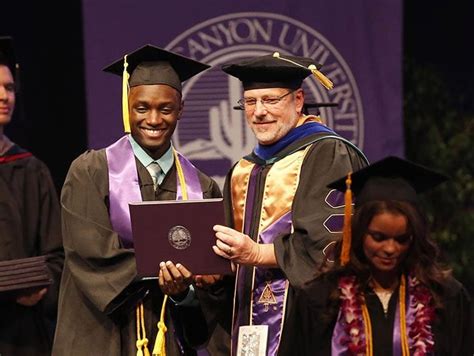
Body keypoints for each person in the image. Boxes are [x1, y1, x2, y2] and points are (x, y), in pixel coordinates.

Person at [52, 44, 222, 356]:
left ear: (181, 109)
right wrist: (165, 271)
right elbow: (90, 255)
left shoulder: (203, 188)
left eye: (166, 109)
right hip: (99, 337)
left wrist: (185, 292)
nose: (154, 119)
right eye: (142, 108)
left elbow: (210, 289)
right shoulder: (90, 172)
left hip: (166, 338)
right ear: (127, 107)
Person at [212, 52, 369, 355]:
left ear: (298, 101)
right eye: (250, 102)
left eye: (270, 100)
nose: (259, 112)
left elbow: (331, 248)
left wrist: (257, 253)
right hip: (247, 329)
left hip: (307, 328)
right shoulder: (243, 170)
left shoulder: (328, 153)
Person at [293, 156, 473, 355]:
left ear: (414, 237)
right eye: (379, 237)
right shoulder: (321, 298)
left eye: (402, 239)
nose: (390, 248)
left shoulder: (444, 298)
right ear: (359, 233)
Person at [0, 36, 64, 355]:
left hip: (21, 337)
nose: (4, 96)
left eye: (10, 88)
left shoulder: (30, 169)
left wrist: (38, 286)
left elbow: (57, 257)